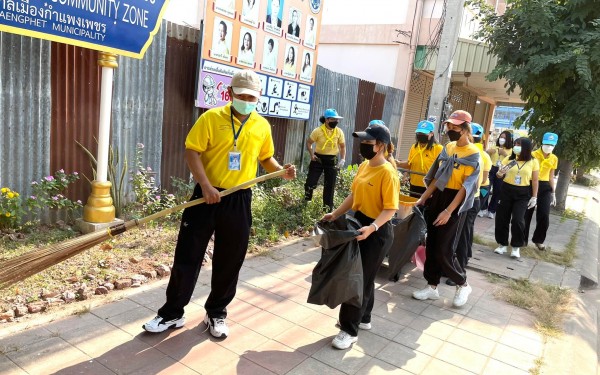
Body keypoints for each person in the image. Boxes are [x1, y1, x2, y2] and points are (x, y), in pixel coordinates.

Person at [143, 70, 296, 338]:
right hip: (206, 196)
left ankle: (216, 313)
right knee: (188, 256)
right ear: (230, 94)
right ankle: (172, 313)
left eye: (252, 97)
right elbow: (192, 151)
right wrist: (205, 185)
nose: (247, 101)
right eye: (242, 96)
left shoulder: (261, 126)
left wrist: (281, 170)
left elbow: (266, 159)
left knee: (230, 260)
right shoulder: (211, 118)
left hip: (238, 199)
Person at [322, 121, 399, 350]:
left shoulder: (388, 172)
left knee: (357, 280)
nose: (364, 145)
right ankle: (363, 318)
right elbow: (354, 195)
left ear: (381, 145)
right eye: (362, 141)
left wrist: (373, 228)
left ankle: (349, 330)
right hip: (361, 224)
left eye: (369, 142)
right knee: (364, 277)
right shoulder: (365, 165)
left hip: (378, 230)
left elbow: (391, 209)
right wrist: (335, 214)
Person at [412, 110, 480, 307]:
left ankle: (462, 283)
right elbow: (437, 176)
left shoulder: (474, 155)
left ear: (466, 129)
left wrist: (448, 211)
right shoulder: (449, 148)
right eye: (449, 126)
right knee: (432, 244)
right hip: (439, 196)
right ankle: (431, 286)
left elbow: (465, 187)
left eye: (455, 127)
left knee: (444, 248)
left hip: (456, 202)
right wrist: (423, 198)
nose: (451, 130)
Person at [451, 123, 491, 285]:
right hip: (457, 196)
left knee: (463, 234)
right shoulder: (455, 149)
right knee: (456, 234)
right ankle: (455, 264)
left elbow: (481, 180)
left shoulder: (481, 155)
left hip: (470, 199)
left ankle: (460, 270)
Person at [493, 137, 539, 259]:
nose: (516, 146)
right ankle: (502, 244)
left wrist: (534, 197)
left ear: (526, 147)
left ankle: (516, 246)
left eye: (519, 144)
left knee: (518, 220)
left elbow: (535, 180)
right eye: (515, 144)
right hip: (507, 190)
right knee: (502, 218)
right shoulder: (509, 159)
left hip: (523, 193)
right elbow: (498, 175)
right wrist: (500, 173)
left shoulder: (533, 161)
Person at [304, 109, 346, 210]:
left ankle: (327, 208)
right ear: (327, 120)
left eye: (337, 119)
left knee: (330, 185)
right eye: (334, 119)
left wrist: (343, 159)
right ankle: (306, 200)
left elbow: (343, 146)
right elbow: (309, 143)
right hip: (318, 159)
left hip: (332, 160)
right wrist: (311, 155)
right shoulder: (317, 131)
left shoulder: (339, 132)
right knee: (311, 181)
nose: (336, 121)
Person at [524, 132, 559, 250]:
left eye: (551, 144)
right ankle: (522, 240)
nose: (549, 146)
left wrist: (553, 192)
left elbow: (551, 176)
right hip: (531, 184)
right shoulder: (532, 155)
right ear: (542, 143)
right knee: (526, 214)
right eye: (547, 144)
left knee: (544, 215)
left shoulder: (554, 158)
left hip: (545, 187)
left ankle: (538, 240)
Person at [397, 120, 443, 198]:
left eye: (424, 133)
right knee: (413, 208)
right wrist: (398, 163)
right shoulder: (414, 147)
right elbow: (410, 164)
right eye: (419, 133)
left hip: (429, 186)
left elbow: (441, 169)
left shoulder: (438, 148)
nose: (421, 135)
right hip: (414, 184)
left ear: (431, 134)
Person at [480, 130, 513, 219]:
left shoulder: (511, 150)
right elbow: (486, 156)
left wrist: (504, 154)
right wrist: (488, 151)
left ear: (509, 140)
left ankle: (492, 210)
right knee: (485, 188)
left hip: (501, 171)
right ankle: (483, 208)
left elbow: (512, 163)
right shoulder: (494, 146)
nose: (502, 139)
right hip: (491, 168)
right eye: (501, 137)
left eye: (504, 138)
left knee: (497, 191)